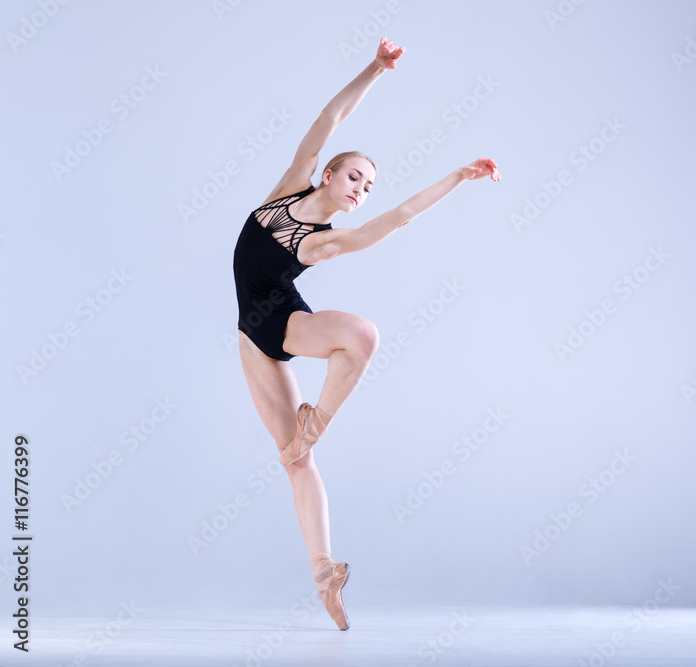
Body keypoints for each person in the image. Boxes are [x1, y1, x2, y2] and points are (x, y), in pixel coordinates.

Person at [232, 36, 501, 631]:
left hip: (284, 320)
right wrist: (376, 68)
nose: (360, 188)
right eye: (355, 175)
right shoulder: (287, 190)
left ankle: (316, 420)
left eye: (367, 186)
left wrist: (457, 177)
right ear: (328, 173)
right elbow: (331, 116)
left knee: (361, 335)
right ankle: (324, 571)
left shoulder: (327, 239)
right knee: (294, 463)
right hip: (253, 339)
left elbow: (397, 218)